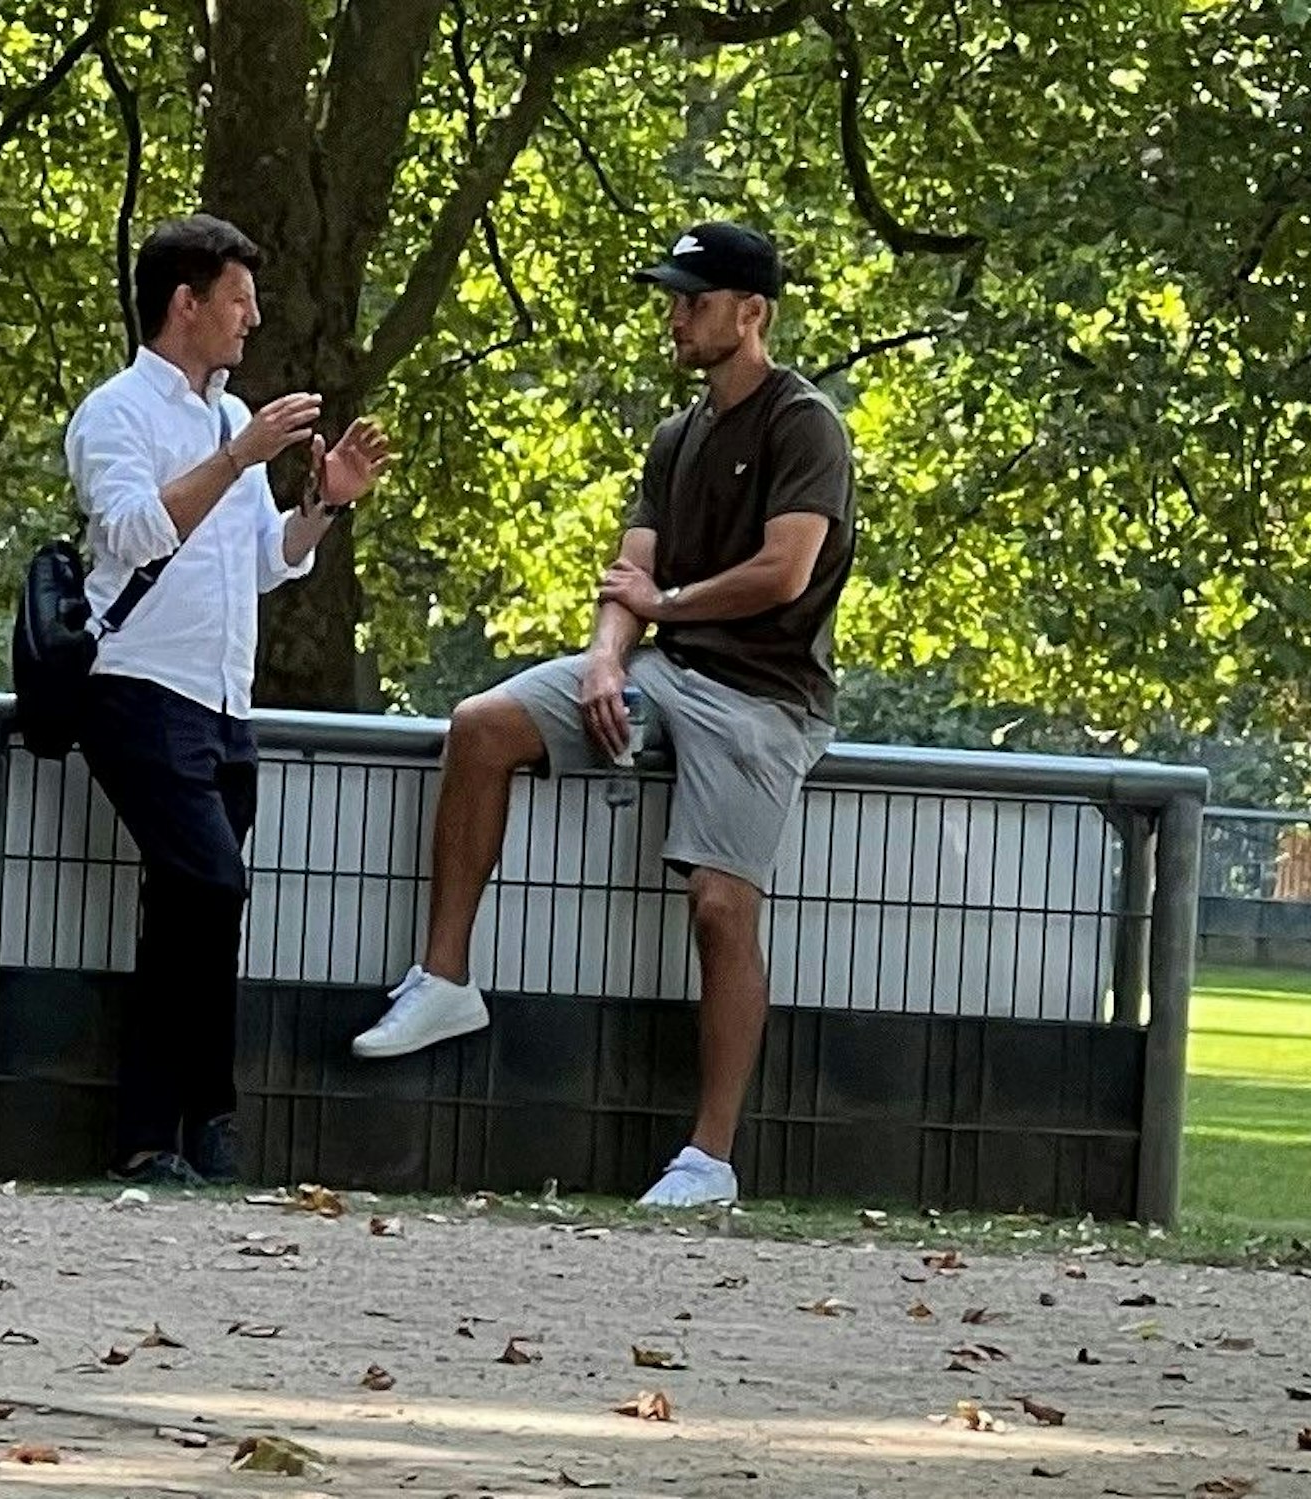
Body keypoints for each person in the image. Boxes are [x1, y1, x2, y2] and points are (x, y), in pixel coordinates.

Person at [350, 221, 854, 1208]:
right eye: (670, 298)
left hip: (763, 697)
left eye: (691, 301)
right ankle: (444, 978)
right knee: (481, 723)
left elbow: (782, 569)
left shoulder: (804, 424)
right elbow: (630, 572)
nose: (673, 317)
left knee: (718, 902)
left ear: (750, 314)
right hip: (664, 669)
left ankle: (707, 1158)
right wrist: (603, 659)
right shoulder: (677, 435)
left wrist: (660, 608)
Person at [66, 214, 390, 1186]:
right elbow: (129, 533)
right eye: (238, 299)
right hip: (134, 689)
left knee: (195, 909)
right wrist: (240, 457)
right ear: (186, 302)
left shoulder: (224, 417)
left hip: (219, 703)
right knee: (210, 886)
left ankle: (164, 1137)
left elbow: (262, 564)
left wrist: (320, 506)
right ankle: (200, 1115)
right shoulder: (116, 412)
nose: (252, 318)